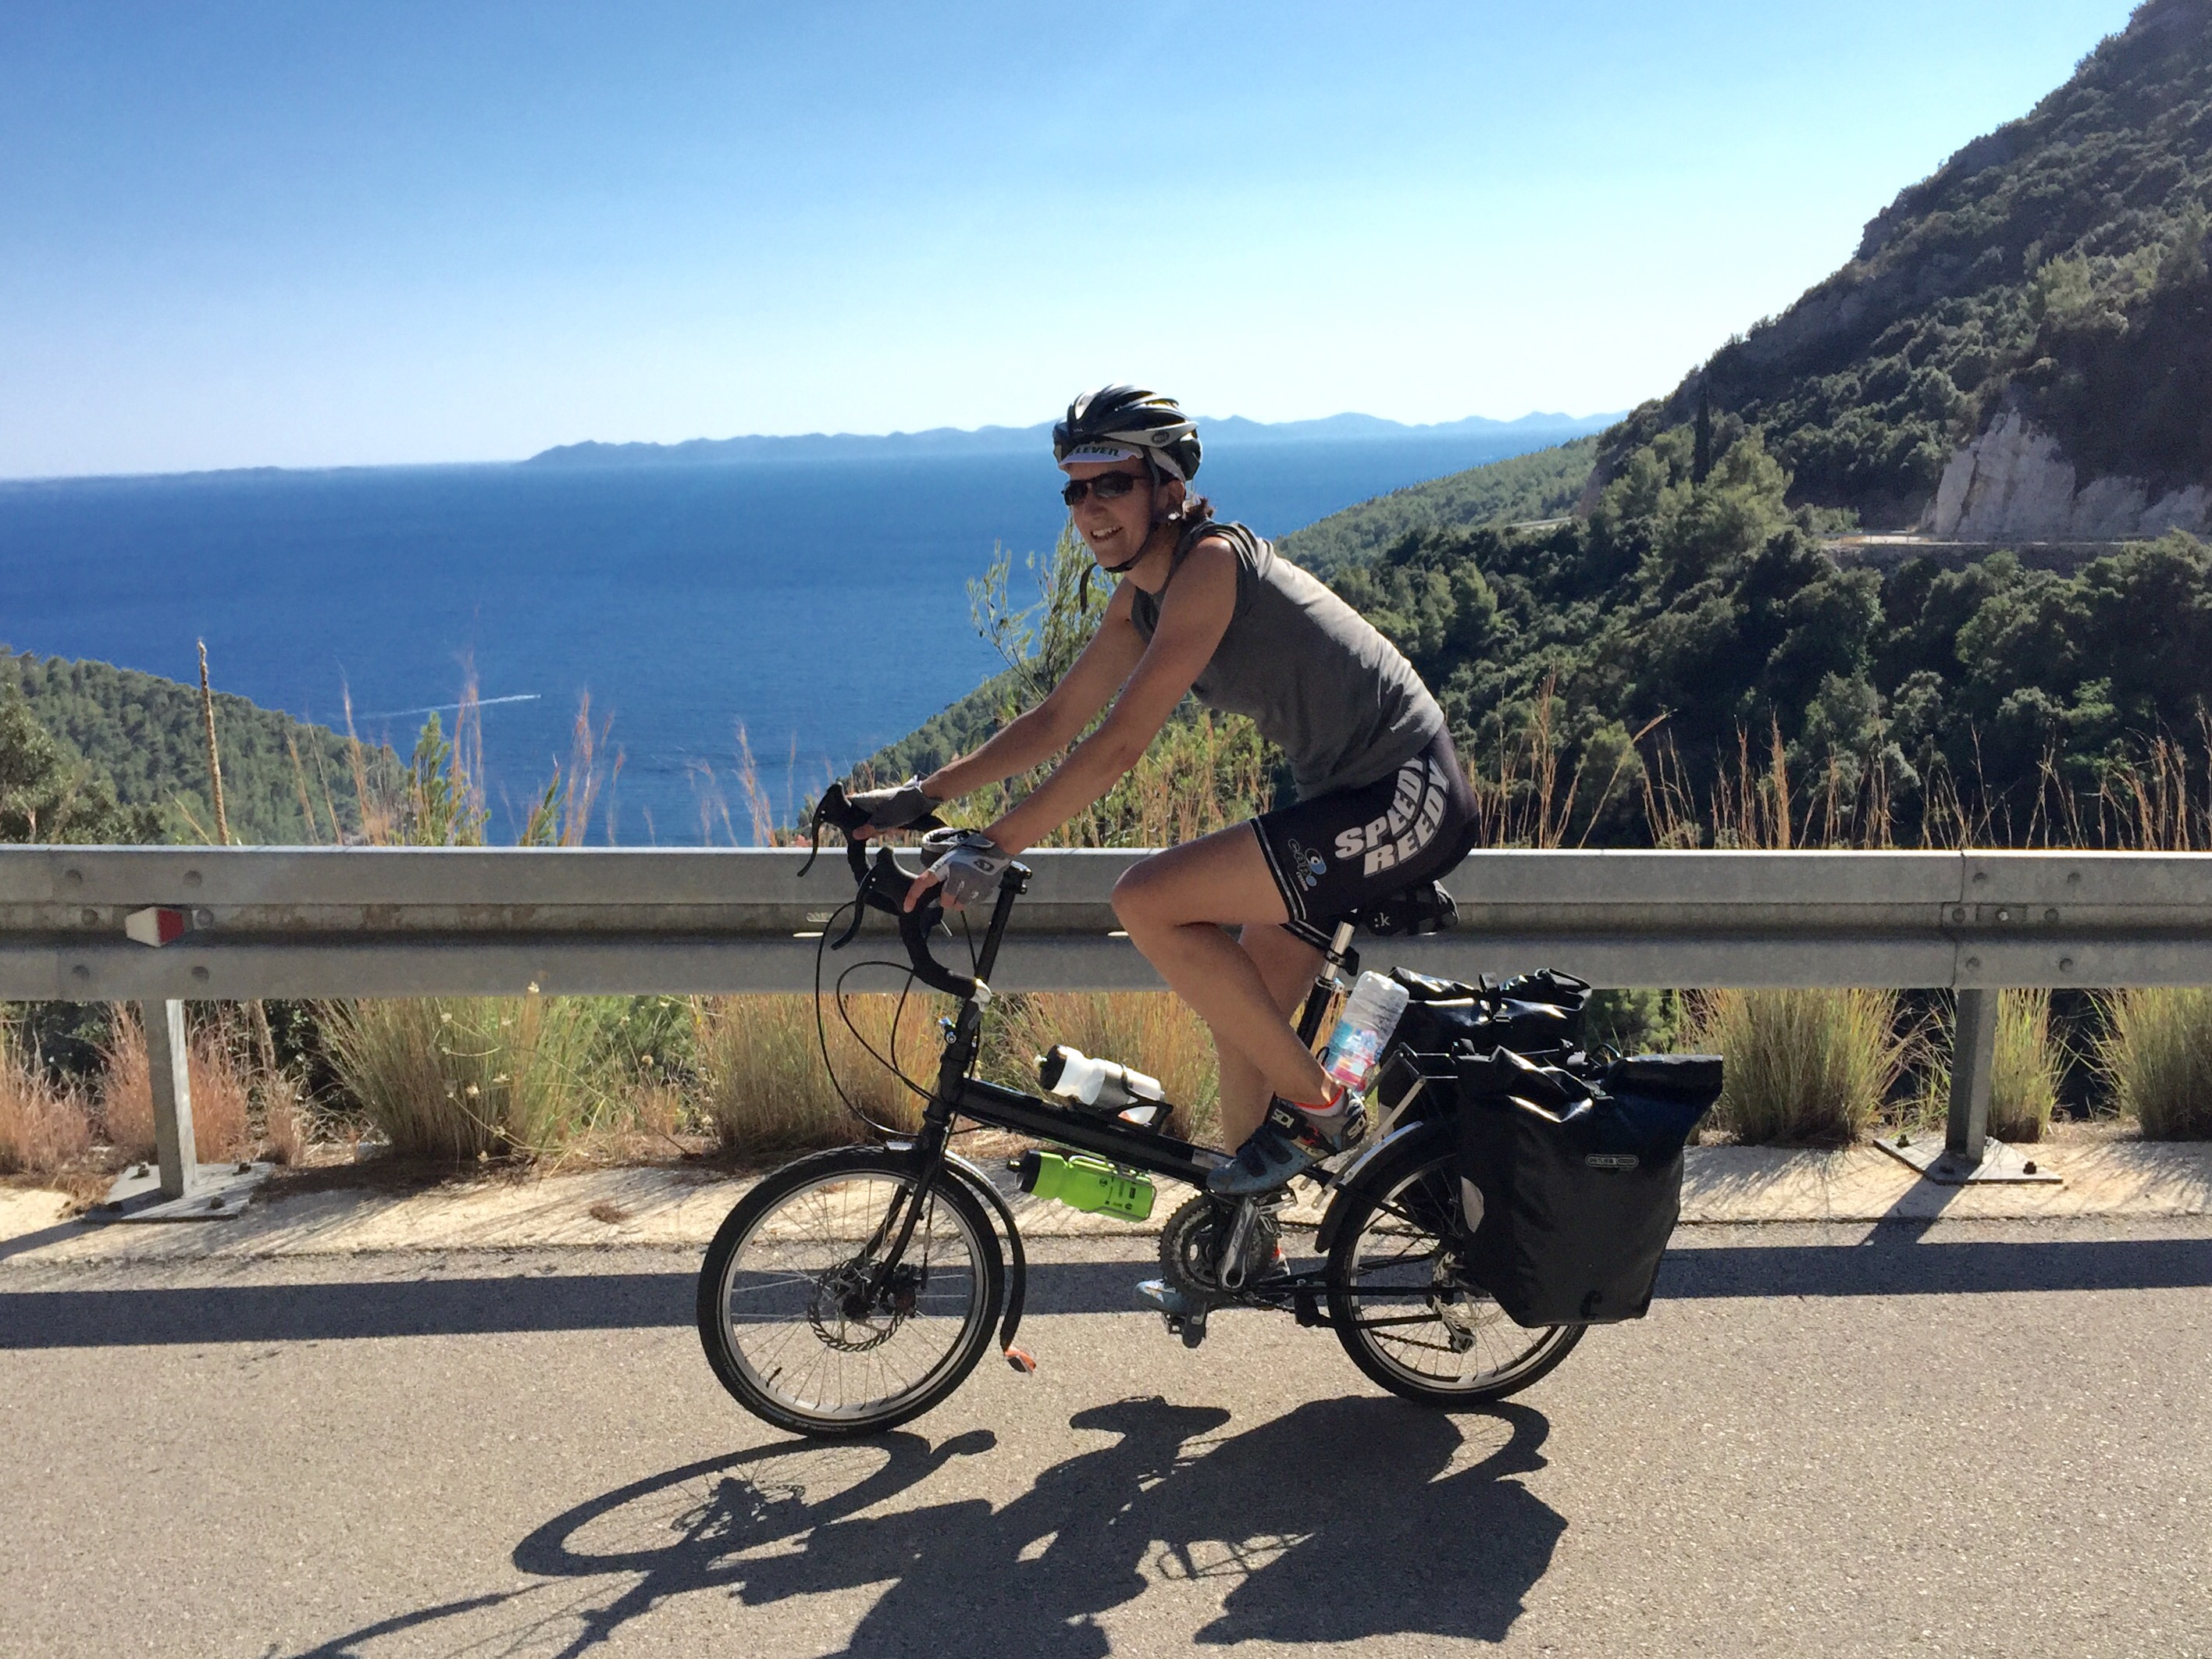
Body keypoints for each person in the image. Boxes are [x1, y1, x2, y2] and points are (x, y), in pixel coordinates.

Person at [853, 385, 1476, 1202]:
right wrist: (919, 794)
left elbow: (1117, 745)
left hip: (1405, 792)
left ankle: (1327, 1110)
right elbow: (1056, 721)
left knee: (1145, 899)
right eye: (1075, 490)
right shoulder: (1141, 596)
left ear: (1169, 488)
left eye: (1111, 483)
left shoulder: (1210, 565)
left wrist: (995, 845)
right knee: (1245, 1020)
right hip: (1340, 798)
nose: (1089, 508)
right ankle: (1247, 1237)